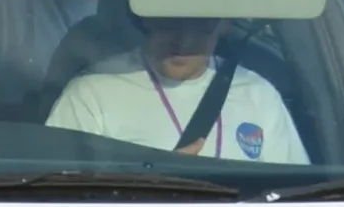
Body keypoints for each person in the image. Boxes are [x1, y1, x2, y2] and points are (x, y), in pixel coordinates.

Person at [45, 12, 306, 163]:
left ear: (224, 24)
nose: (184, 40)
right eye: (169, 22)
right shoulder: (93, 92)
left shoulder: (258, 94)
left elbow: (295, 197)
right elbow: (57, 195)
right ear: (146, 19)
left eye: (201, 25)